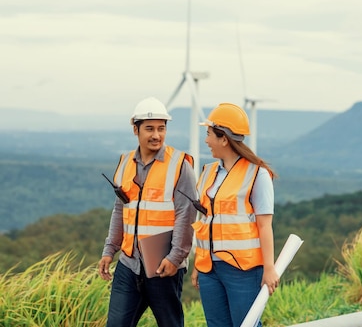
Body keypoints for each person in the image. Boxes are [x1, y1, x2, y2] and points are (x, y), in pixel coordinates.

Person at [97, 96, 197, 327]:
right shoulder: (124, 163)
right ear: (135, 129)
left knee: (170, 324)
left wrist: (175, 258)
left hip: (163, 266)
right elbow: (120, 208)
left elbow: (187, 214)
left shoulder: (180, 165)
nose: (156, 135)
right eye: (150, 129)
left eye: (161, 129)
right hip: (129, 263)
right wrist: (109, 250)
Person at [191, 102, 279, 327]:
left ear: (224, 138)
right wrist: (198, 265)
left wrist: (269, 268)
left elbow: (264, 226)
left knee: (246, 325)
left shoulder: (257, 174)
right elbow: (206, 221)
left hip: (243, 270)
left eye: (209, 134)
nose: (206, 140)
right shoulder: (208, 172)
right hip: (209, 269)